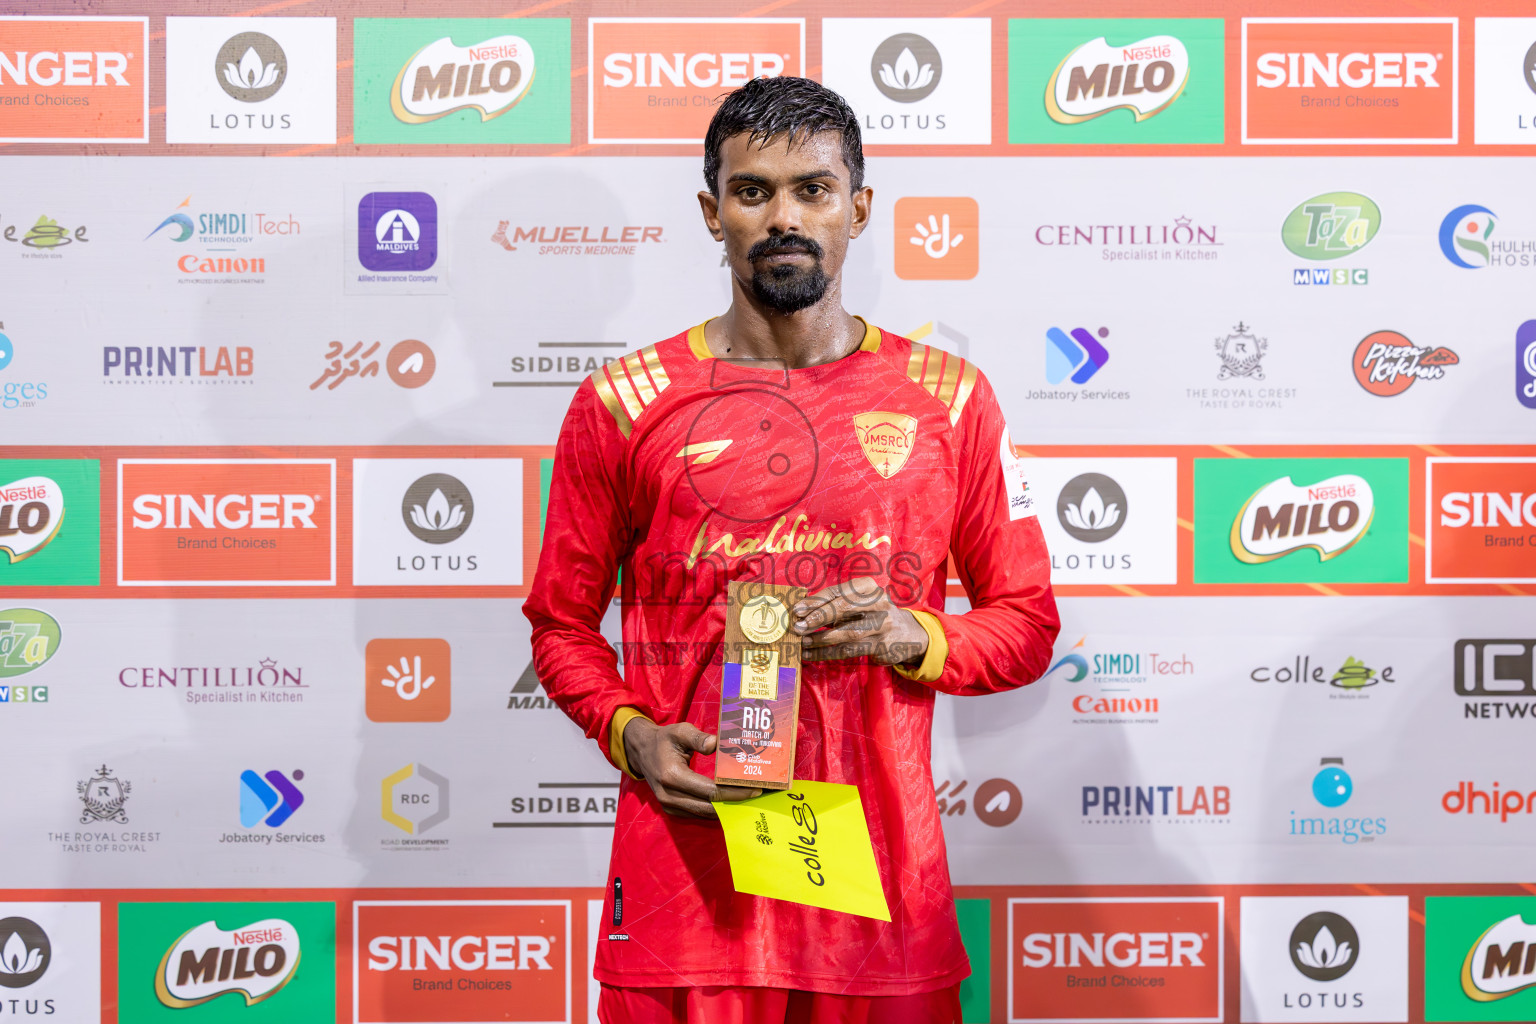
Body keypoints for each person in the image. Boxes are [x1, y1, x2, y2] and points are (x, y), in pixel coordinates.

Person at [524, 76, 1059, 1024]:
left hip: (881, 911)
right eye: (753, 191)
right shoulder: (624, 400)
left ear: (858, 207)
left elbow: (1024, 625)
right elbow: (561, 627)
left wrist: (910, 634)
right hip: (685, 899)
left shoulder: (950, 399)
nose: (784, 217)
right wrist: (629, 733)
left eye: (812, 189)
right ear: (711, 211)